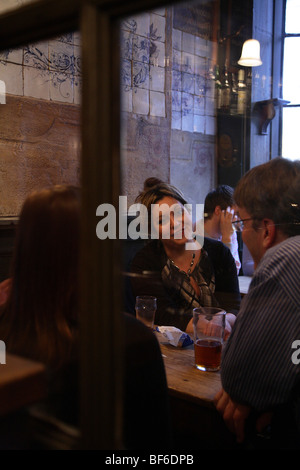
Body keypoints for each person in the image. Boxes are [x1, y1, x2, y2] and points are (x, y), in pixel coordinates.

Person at [214, 157, 300, 449]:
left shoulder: (284, 259)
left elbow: (239, 378)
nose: (240, 232)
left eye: (241, 223)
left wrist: (255, 393)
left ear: (266, 230)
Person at [130, 182, 240, 336]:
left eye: (179, 212)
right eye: (162, 221)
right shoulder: (145, 262)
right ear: (152, 230)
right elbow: (163, 314)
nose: (176, 223)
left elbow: (233, 304)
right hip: (173, 351)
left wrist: (224, 321)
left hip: (222, 342)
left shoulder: (219, 252)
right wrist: (204, 326)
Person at [203, 185, 241, 274]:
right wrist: (226, 238)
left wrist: (227, 237)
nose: (237, 219)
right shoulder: (194, 233)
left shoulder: (231, 233)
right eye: (234, 214)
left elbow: (234, 272)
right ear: (218, 211)